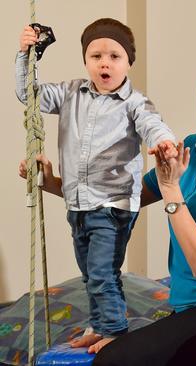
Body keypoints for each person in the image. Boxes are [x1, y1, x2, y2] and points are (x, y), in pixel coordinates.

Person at [16, 18, 176, 353]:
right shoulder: (71, 93)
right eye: (96, 55)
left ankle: (115, 332)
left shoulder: (134, 102)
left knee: (103, 272)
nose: (105, 62)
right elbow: (28, 96)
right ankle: (99, 323)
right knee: (91, 274)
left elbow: (152, 124)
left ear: (129, 62)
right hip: (78, 203)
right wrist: (26, 55)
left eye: (115, 56)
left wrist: (164, 142)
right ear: (86, 60)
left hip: (114, 204)